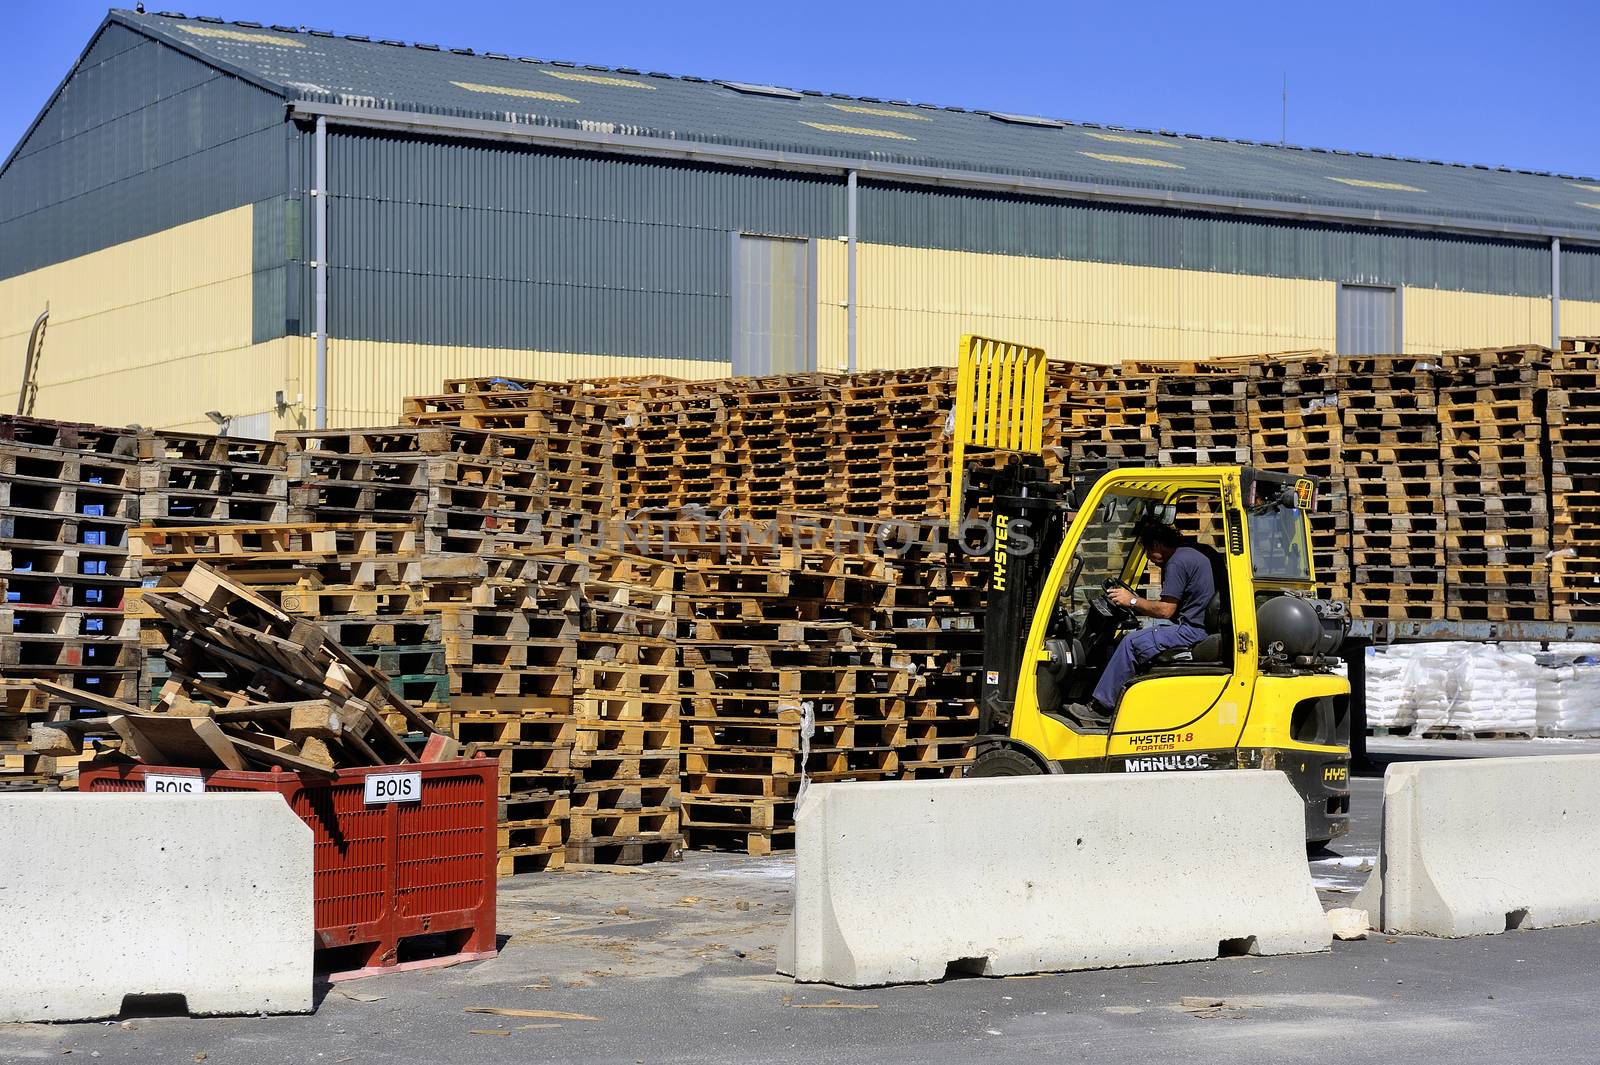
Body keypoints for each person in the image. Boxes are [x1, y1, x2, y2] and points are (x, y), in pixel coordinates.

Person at [1087, 517, 1217, 717]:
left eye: (1148, 551)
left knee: (1131, 643)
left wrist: (1131, 601)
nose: (1148, 557)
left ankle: (1101, 708)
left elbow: (1166, 610)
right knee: (1133, 637)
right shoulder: (1191, 554)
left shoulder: (1177, 562)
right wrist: (1135, 602)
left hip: (1191, 631)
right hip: (1198, 627)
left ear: (1156, 544)